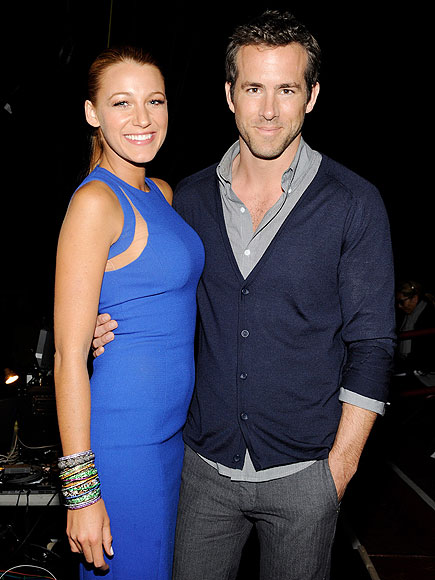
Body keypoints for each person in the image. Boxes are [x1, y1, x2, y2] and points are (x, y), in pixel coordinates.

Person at [93, 10, 396, 580]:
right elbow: (148, 285)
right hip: (202, 471)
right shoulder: (187, 200)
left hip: (307, 476)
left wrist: (338, 472)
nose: (269, 109)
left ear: (312, 96)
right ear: (230, 94)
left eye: (288, 89)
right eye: (254, 88)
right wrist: (101, 322)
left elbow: (374, 345)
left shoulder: (353, 203)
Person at [54, 46, 204, 579]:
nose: (143, 118)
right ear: (92, 113)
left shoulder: (161, 192)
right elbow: (68, 357)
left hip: (172, 439)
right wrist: (81, 493)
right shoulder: (95, 202)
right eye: (121, 102)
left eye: (154, 101)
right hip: (124, 445)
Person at [394, 280, 435, 388]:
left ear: (414, 298)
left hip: (426, 374)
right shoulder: (407, 316)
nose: (399, 306)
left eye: (402, 302)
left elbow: (425, 352)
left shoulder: (428, 316)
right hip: (414, 369)